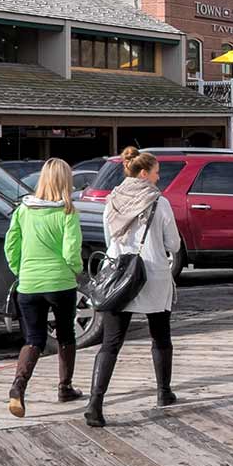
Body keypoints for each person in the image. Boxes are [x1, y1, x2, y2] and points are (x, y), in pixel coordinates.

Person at [86, 146, 182, 426]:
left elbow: (108, 239)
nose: (158, 178)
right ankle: (163, 392)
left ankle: (95, 403)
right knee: (160, 336)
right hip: (151, 274)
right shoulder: (158, 202)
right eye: (156, 172)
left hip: (119, 276)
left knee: (111, 343)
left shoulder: (112, 200)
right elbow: (173, 244)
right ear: (144, 173)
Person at [2, 157, 85, 417]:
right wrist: (76, 270)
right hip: (60, 282)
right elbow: (71, 251)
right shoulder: (67, 211)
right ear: (66, 181)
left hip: (29, 283)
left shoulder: (23, 210)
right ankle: (65, 387)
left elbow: (11, 246)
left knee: (34, 338)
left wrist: (20, 270)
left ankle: (18, 388)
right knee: (65, 334)